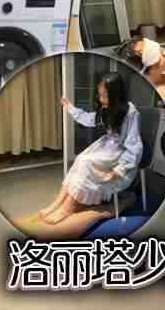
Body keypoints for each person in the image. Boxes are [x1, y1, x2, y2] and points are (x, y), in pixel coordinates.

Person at [38, 73, 143, 225]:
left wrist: (119, 170)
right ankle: (57, 203)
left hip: (120, 151)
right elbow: (89, 119)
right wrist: (70, 108)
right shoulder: (106, 107)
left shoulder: (130, 111)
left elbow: (134, 145)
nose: (101, 99)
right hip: (107, 146)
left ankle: (67, 208)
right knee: (81, 158)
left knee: (86, 162)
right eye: (99, 94)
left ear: (115, 94)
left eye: (104, 95)